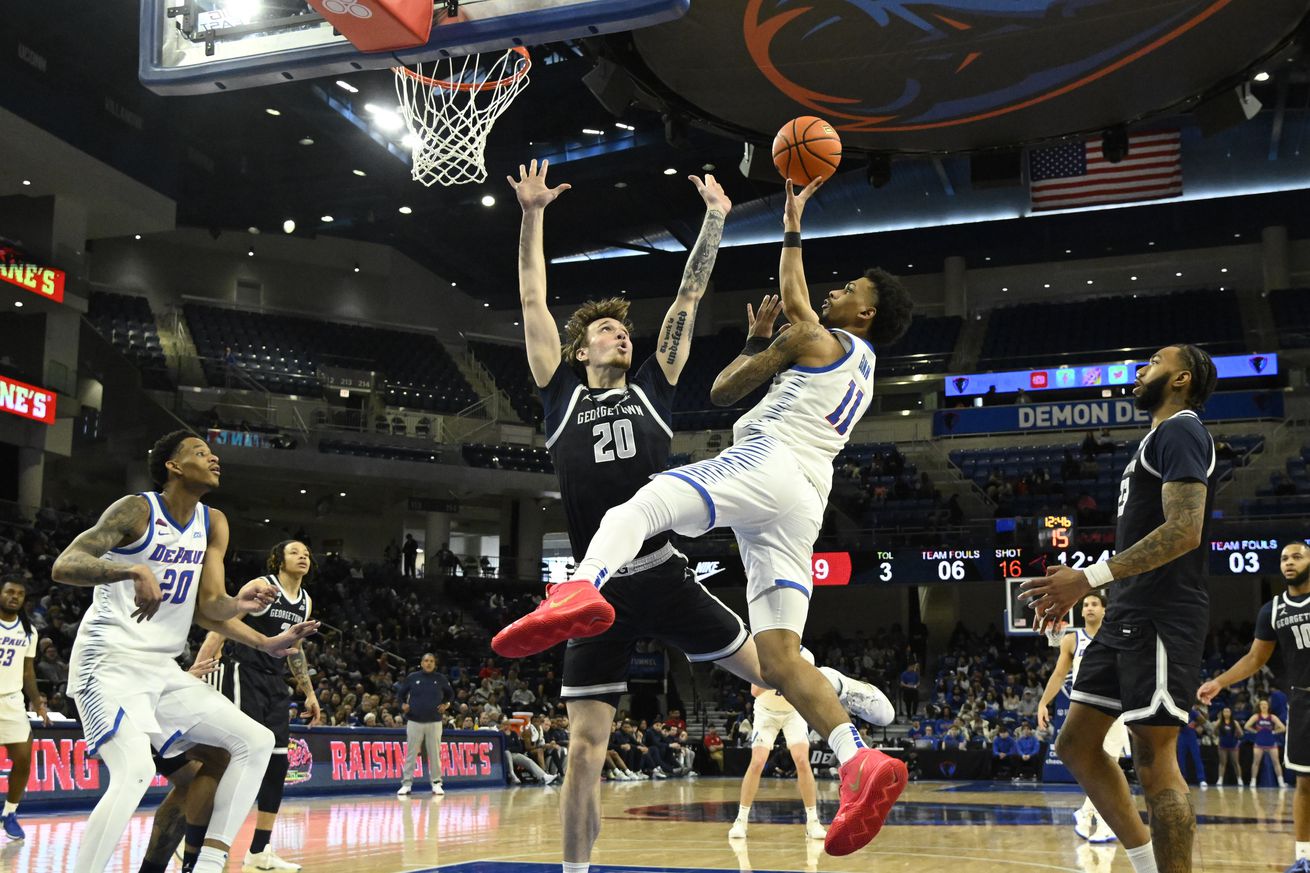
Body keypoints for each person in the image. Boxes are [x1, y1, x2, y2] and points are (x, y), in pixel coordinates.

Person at [489, 161, 896, 869]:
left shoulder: (653, 383)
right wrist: (531, 214)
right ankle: (574, 869)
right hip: (606, 595)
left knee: (769, 670)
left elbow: (690, 291)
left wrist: (714, 216)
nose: (621, 336)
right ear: (580, 347)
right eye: (607, 331)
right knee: (584, 751)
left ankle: (832, 686)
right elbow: (531, 300)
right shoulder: (557, 394)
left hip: (661, 573)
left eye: (623, 330)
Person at [50, 430, 317, 873]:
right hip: (107, 664)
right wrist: (129, 568)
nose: (213, 459)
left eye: (213, 454)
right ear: (173, 466)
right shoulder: (137, 509)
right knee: (135, 771)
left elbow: (211, 609)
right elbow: (65, 565)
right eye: (200, 453)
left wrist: (250, 619)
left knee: (255, 741)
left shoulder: (213, 522)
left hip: (161, 668)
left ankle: (210, 863)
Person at [1022, 344, 1219, 873]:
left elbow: (1185, 530)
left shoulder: (1182, 430)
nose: (1139, 370)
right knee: (1077, 745)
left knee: (1155, 762)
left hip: (1161, 613)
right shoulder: (1156, 439)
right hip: (1127, 612)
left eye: (1152, 362)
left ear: (1180, 379)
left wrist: (1088, 578)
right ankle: (1145, 862)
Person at [195, 539, 322, 871]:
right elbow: (219, 626)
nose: (303, 556)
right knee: (234, 758)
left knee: (278, 765)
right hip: (242, 672)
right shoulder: (264, 587)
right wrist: (195, 673)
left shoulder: (305, 601)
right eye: (295, 552)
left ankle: (259, 851)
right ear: (278, 560)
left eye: (307, 553)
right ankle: (197, 844)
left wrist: (308, 691)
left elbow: (296, 648)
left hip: (274, 682)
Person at [1198, 542, 1309, 870]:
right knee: (1305, 784)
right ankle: (1304, 859)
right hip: (1302, 700)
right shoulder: (1273, 610)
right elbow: (1255, 658)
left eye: (1297, 556)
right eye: (1284, 558)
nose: (1289, 562)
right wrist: (1220, 682)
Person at [1037, 591, 1132, 842]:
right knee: (1095, 766)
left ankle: (1095, 818)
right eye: (1086, 605)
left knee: (1109, 764)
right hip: (1085, 708)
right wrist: (1043, 702)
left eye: (1094, 604)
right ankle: (1090, 814)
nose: (1089, 608)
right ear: (1080, 612)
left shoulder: (1115, 636)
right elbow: (1059, 675)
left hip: (1115, 706)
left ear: (1104, 610)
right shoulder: (1072, 639)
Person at [729, 681, 826, 841]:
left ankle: (813, 822)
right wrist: (778, 676)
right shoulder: (762, 656)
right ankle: (741, 820)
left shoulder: (806, 656)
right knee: (758, 762)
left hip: (794, 711)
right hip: (766, 712)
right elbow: (755, 691)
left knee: (802, 760)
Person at [0, 576, 49, 839]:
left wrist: (39, 703)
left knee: (22, 759)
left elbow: (28, 673)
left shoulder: (29, 631)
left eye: (19, 594)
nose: (14, 597)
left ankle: (9, 813)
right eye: (9, 591)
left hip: (11, 701)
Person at [395, 652, 454, 796]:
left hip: (434, 721)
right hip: (414, 721)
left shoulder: (440, 679)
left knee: (435, 754)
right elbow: (400, 695)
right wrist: (402, 704)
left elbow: (450, 695)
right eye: (426, 661)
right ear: (422, 663)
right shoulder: (412, 678)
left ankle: (436, 783)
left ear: (435, 664)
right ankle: (407, 784)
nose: (428, 663)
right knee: (411, 753)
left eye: (431, 661)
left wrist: (446, 705)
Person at [1244, 700, 1288, 788]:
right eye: (1262, 704)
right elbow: (1246, 726)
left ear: (1268, 706)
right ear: (1259, 706)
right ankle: (1253, 781)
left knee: (1276, 762)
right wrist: (1255, 731)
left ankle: (1281, 782)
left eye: (1265, 704)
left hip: (1271, 742)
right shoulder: (1256, 716)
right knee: (1256, 762)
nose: (1264, 706)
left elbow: (1283, 728)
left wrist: (1275, 732)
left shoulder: (1272, 717)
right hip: (1259, 742)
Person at [1210, 708, 1244, 788]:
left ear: (1231, 713)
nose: (1226, 713)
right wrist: (1217, 726)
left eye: (1228, 711)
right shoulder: (1219, 722)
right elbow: (1213, 732)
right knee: (1222, 763)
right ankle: (1220, 779)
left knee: (1235, 763)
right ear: (1222, 713)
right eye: (1225, 711)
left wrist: (1237, 731)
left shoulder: (1234, 722)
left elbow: (1241, 734)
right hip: (1223, 745)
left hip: (1233, 745)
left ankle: (1239, 779)